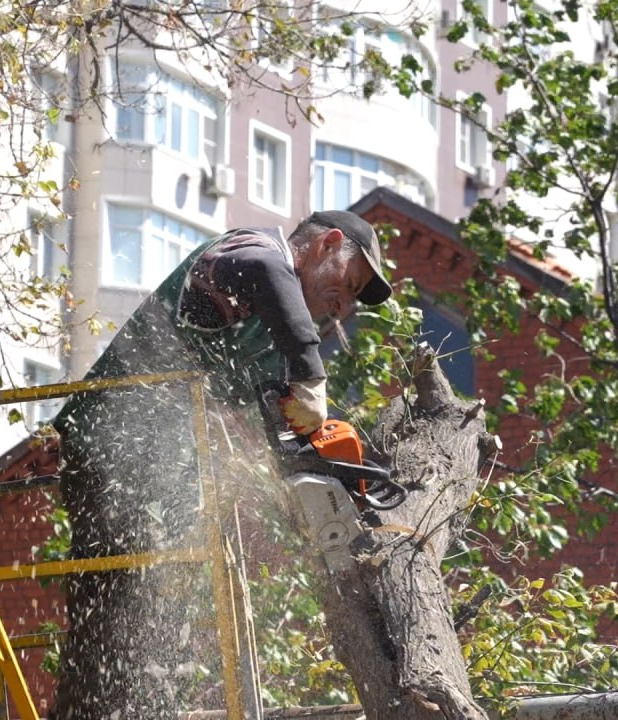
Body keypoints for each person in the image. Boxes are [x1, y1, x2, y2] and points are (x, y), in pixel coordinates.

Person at [52, 210, 393, 720]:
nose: (342, 305)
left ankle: (138, 706)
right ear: (328, 244)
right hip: (112, 445)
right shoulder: (248, 253)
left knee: (164, 609)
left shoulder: (268, 333)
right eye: (348, 284)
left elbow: (282, 433)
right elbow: (263, 270)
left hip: (165, 469)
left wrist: (337, 482)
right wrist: (310, 370)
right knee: (119, 602)